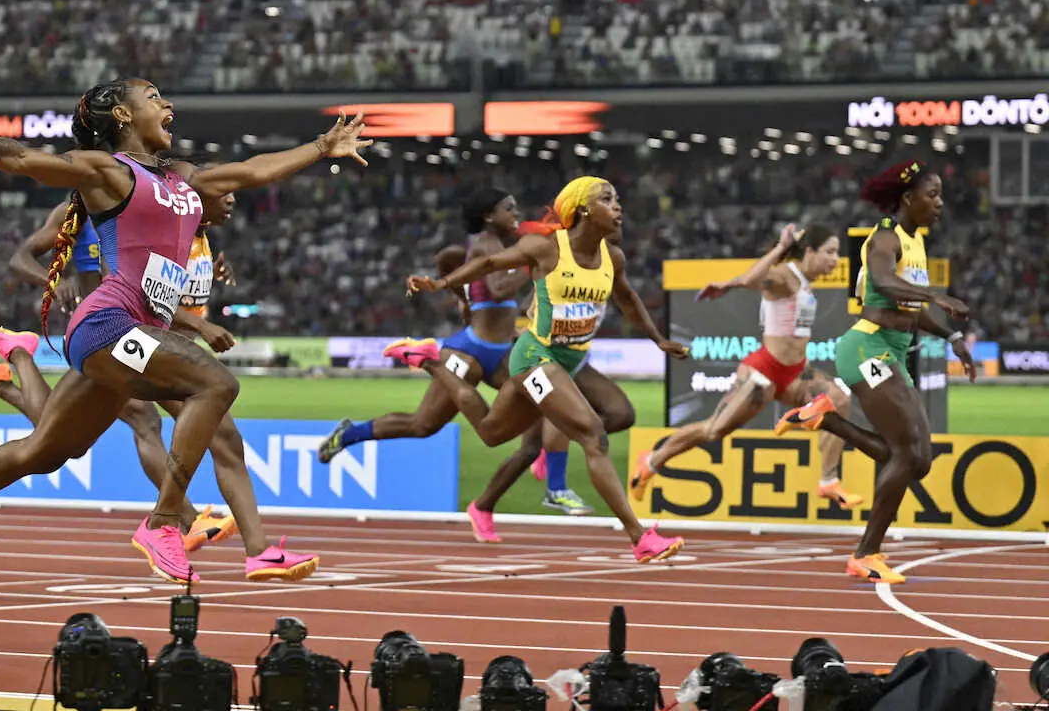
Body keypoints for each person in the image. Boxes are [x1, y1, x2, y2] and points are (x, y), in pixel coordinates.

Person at [0, 81, 371, 586]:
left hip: (133, 335)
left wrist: (322, 146)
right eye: (154, 97)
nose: (168, 104)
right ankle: (164, 523)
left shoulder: (182, 177)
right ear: (122, 114)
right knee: (216, 384)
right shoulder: (108, 172)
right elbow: (23, 159)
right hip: (107, 324)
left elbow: (249, 172)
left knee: (43, 452)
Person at [396, 175, 692, 562]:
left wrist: (658, 339)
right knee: (593, 435)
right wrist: (441, 284)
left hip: (568, 360)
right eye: (607, 199)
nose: (618, 206)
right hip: (535, 356)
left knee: (490, 431)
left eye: (617, 198)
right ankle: (639, 537)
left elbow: (628, 299)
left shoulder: (612, 258)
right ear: (583, 210)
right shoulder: (548, 247)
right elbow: (489, 262)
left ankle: (431, 361)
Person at [0, 196, 240, 552]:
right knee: (144, 420)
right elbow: (20, 258)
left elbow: (163, 263)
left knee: (66, 444)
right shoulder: (75, 211)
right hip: (95, 333)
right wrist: (55, 281)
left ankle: (11, 370)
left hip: (133, 331)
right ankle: (188, 519)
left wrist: (204, 266)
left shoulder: (137, 201)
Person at [316, 188, 592, 517]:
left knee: (546, 399)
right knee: (423, 425)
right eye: (508, 208)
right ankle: (348, 435)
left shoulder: (499, 246)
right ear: (488, 216)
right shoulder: (484, 244)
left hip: (502, 351)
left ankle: (555, 483)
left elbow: (449, 261)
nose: (515, 214)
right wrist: (530, 265)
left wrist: (462, 297)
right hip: (468, 351)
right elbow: (497, 289)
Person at [776, 160, 974, 584]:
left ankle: (825, 418)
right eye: (932, 195)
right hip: (867, 347)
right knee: (909, 453)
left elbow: (911, 309)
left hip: (890, 352)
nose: (939, 203)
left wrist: (952, 337)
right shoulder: (886, 236)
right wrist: (936, 295)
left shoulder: (916, 242)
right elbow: (883, 282)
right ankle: (865, 554)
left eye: (940, 195)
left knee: (915, 460)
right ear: (907, 198)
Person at [629, 223, 864, 510]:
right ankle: (651, 461)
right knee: (714, 430)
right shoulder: (786, 276)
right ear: (810, 252)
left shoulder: (804, 281)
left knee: (838, 401)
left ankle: (828, 481)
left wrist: (729, 284)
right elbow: (754, 280)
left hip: (795, 373)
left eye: (836, 253)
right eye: (829, 252)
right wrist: (779, 249)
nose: (835, 260)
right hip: (764, 372)